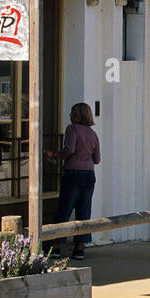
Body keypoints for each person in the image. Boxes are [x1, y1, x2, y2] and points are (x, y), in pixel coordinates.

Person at [54, 102, 100, 260]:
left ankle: (56, 246)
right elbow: (97, 159)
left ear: (77, 116)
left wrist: (54, 155)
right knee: (84, 211)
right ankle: (79, 248)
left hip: (73, 173)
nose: (70, 116)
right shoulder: (93, 134)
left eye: (72, 114)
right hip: (89, 175)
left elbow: (69, 150)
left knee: (65, 209)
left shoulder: (71, 129)